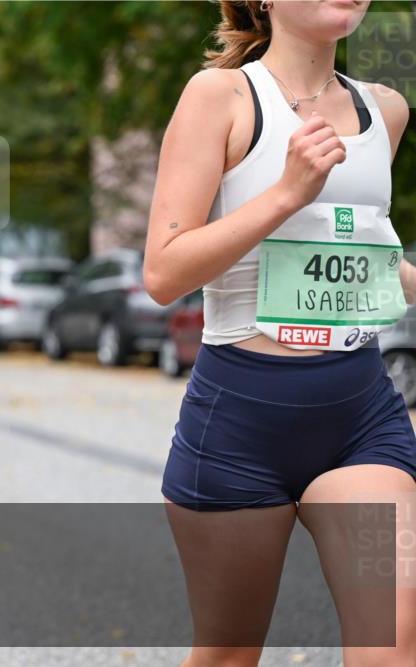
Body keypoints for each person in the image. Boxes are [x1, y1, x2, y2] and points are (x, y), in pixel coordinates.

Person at [144, 2, 416, 665]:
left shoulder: (386, 109)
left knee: (392, 644)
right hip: (240, 423)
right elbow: (164, 272)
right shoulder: (220, 97)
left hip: (360, 419)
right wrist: (286, 194)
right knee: (229, 654)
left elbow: (361, 254)